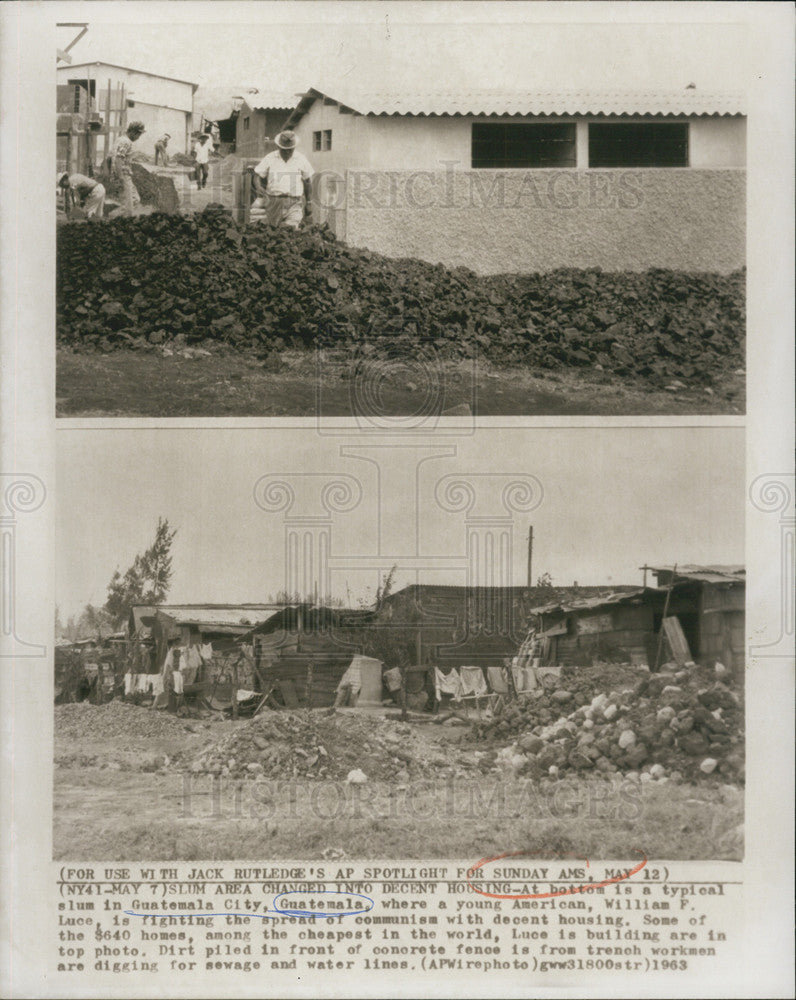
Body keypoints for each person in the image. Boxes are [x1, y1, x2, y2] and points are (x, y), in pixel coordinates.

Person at [252, 129, 314, 229]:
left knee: (291, 230)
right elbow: (256, 175)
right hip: (274, 201)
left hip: (294, 202)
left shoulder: (301, 159)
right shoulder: (270, 157)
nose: (288, 152)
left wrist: (309, 203)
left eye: (290, 149)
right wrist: (258, 187)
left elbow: (308, 181)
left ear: (294, 147)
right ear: (278, 147)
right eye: (284, 149)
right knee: (273, 231)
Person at [112, 120, 145, 216]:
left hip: (125, 174)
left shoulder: (120, 139)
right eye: (138, 135)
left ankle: (117, 217)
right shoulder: (125, 142)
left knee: (135, 199)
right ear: (134, 132)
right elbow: (118, 158)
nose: (138, 138)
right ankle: (117, 221)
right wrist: (120, 177)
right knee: (128, 208)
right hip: (123, 174)